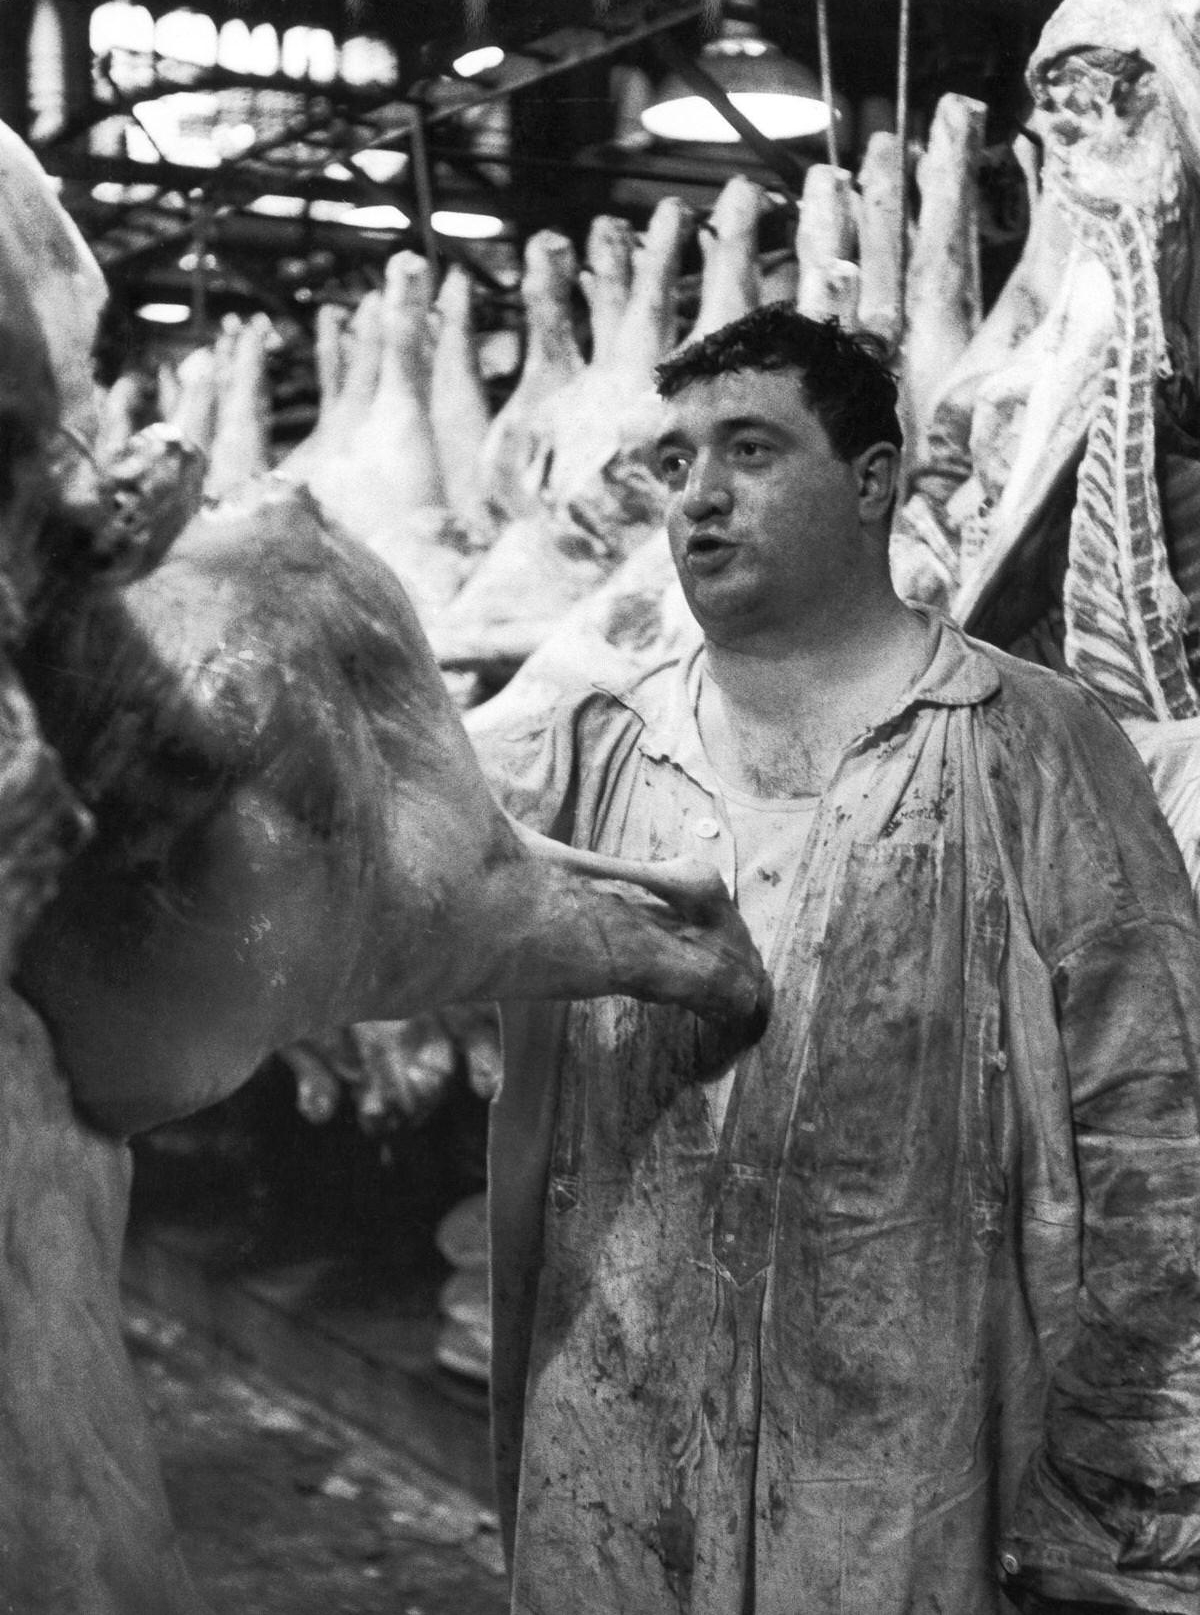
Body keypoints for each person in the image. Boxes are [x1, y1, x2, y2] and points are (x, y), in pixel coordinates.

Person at [477, 303, 1200, 1615]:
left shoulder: (1031, 745)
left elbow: (1156, 1141)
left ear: (873, 480)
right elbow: (532, 1136)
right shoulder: (600, 753)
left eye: (749, 451)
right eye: (678, 462)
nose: (700, 496)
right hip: (621, 1488)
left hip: (906, 1502)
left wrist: (1124, 1500)